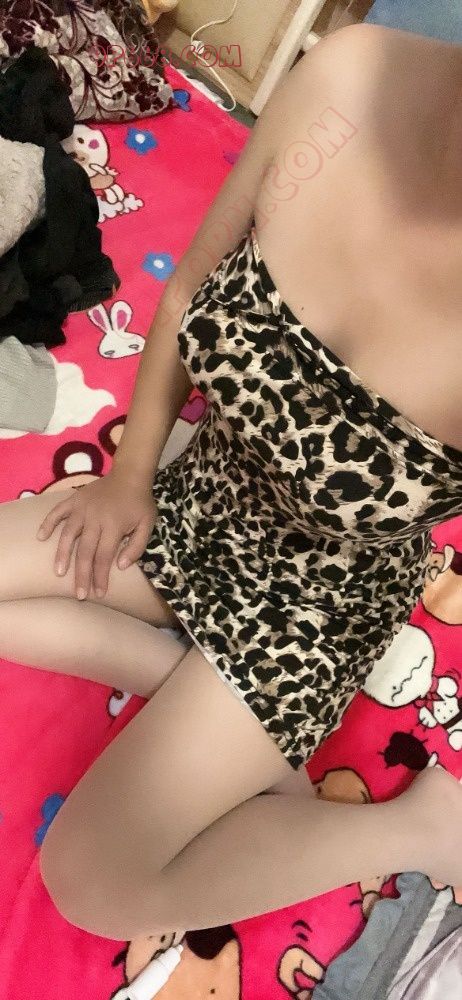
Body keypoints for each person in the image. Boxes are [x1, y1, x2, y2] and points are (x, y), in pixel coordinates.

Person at [2, 22, 462, 940]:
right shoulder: (351, 73)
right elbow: (188, 289)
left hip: (310, 608)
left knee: (94, 881)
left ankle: (423, 827)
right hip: (200, 487)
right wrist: (131, 478)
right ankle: (172, 668)